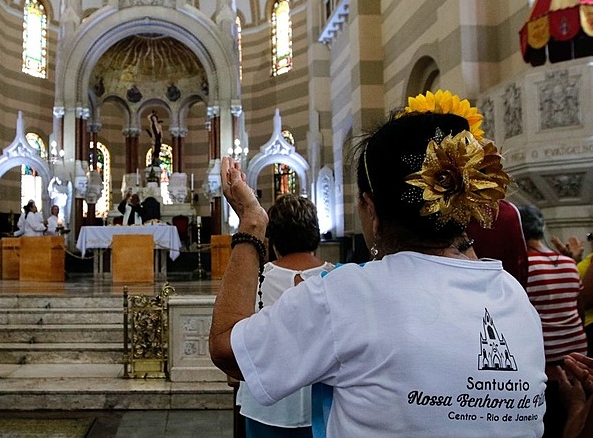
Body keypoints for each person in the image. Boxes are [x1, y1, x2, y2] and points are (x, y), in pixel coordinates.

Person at [209, 90, 547, 437]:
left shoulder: (348, 295)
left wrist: (251, 224)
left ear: (372, 211)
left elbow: (226, 348)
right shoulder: (514, 297)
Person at [235, 194, 334, 437]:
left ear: (273, 237)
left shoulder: (255, 280)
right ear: (316, 234)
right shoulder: (339, 278)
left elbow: (236, 338)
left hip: (265, 404)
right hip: (323, 406)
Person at [519, 204, 588, 436]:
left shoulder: (524, 266)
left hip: (548, 365)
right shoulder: (569, 262)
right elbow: (578, 307)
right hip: (579, 358)